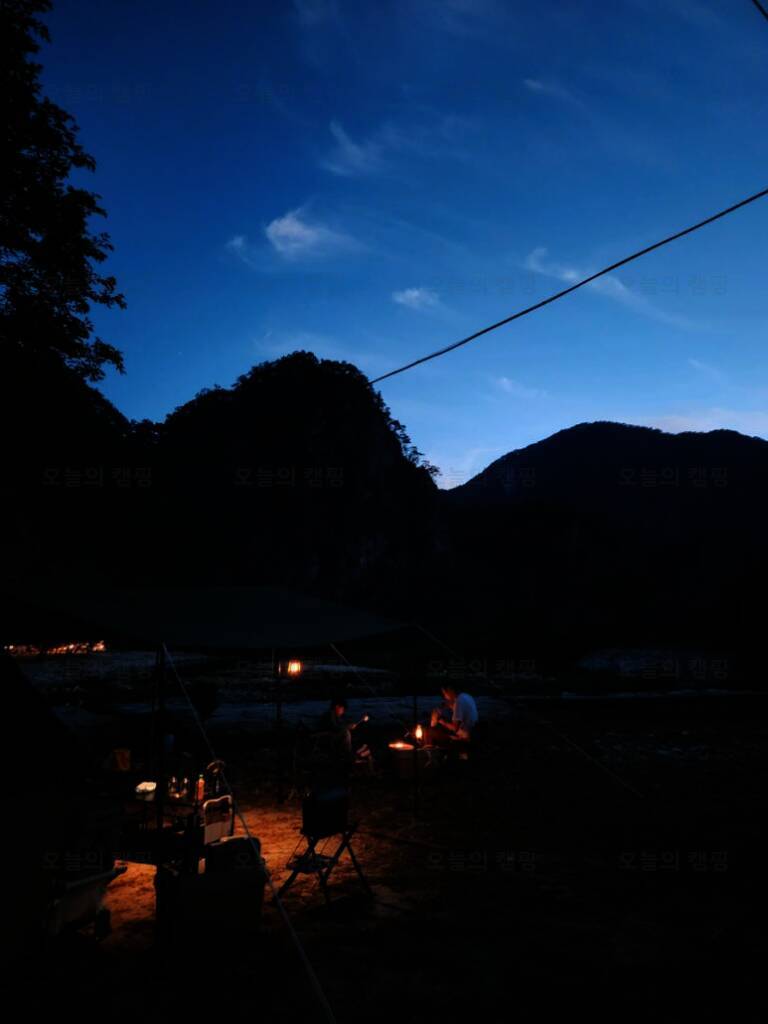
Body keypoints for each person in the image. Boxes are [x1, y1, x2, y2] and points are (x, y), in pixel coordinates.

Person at [319, 696, 371, 765]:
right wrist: (348, 727)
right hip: (327, 738)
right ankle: (348, 756)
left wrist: (350, 725)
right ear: (337, 707)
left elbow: (342, 724)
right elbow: (335, 728)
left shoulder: (336, 716)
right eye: (342, 709)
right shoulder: (330, 714)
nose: (343, 712)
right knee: (346, 733)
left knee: (350, 732)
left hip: (332, 737)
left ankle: (357, 752)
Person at [427, 683, 478, 748]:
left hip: (466, 738)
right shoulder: (466, 696)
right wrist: (441, 707)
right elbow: (450, 704)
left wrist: (440, 720)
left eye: (444, 694)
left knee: (432, 734)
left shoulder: (458, 701)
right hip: (472, 732)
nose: (445, 697)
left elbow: (455, 728)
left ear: (450, 690)